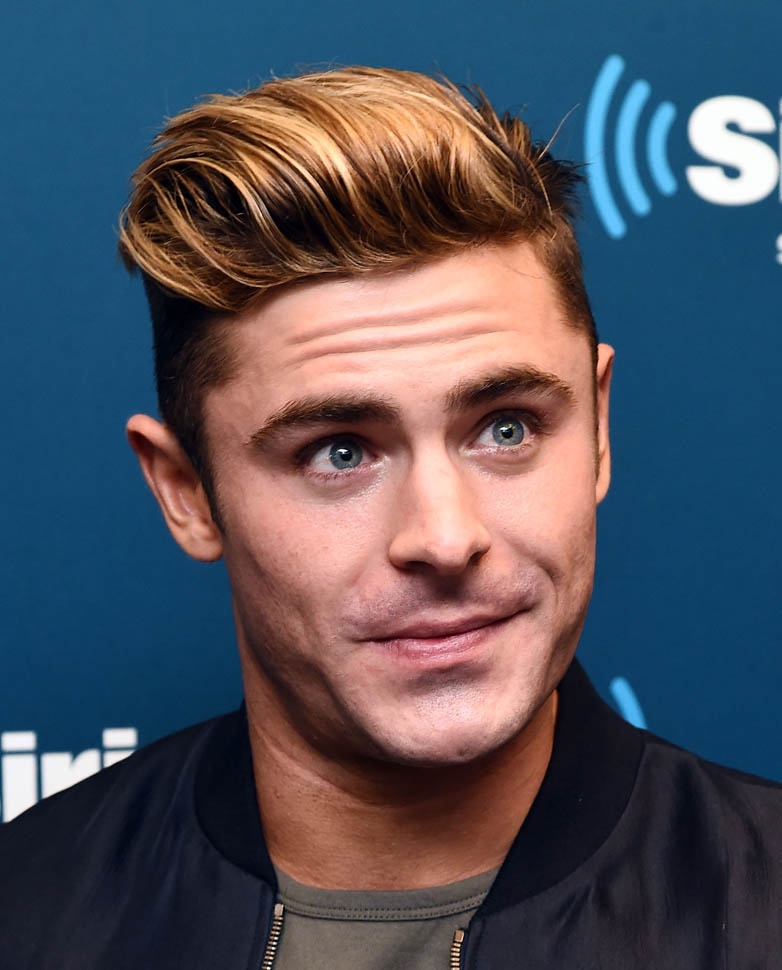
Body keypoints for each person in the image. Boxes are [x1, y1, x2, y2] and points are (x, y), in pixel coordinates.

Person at [1, 66, 781, 970]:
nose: (446, 539)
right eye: (339, 452)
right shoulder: (29, 914)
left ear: (599, 429)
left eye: (506, 428)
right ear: (186, 491)